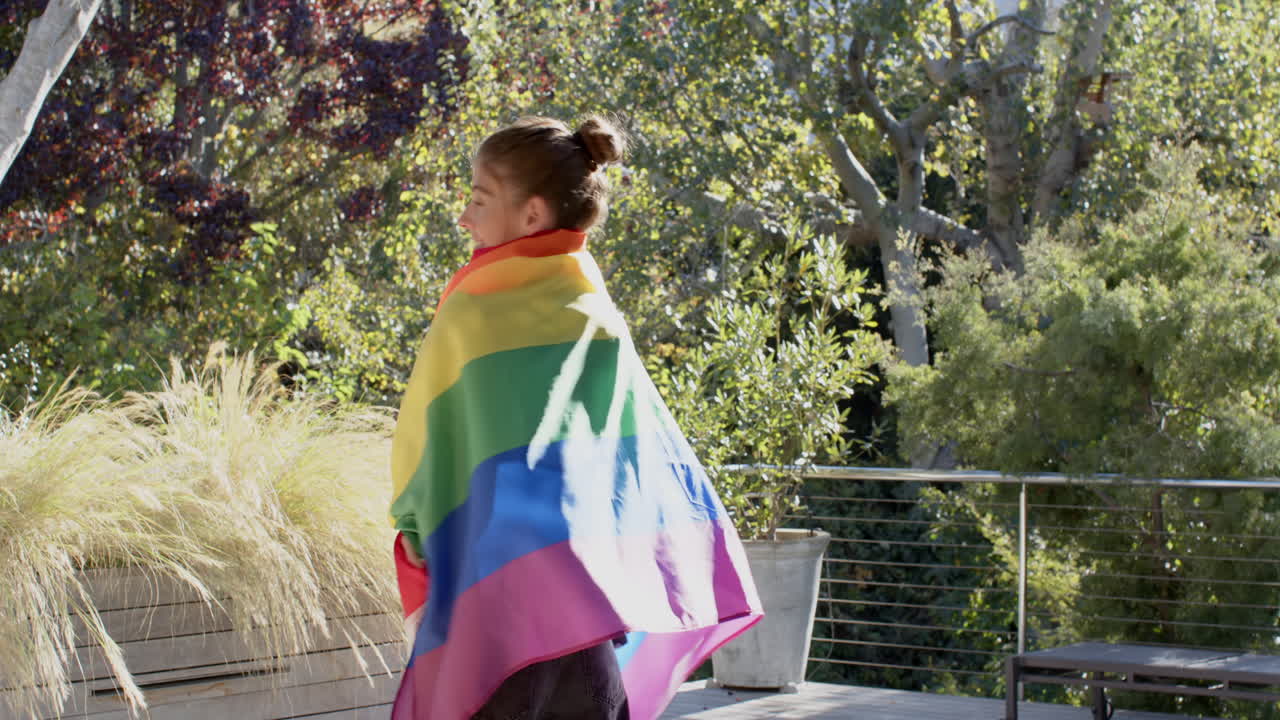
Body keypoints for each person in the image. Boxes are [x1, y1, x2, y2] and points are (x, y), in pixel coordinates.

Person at [388, 115, 762, 720]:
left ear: (532, 215)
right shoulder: (595, 311)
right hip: (585, 594)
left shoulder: (472, 314)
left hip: (498, 604)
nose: (464, 216)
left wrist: (417, 548)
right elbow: (636, 458)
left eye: (479, 199)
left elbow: (423, 457)